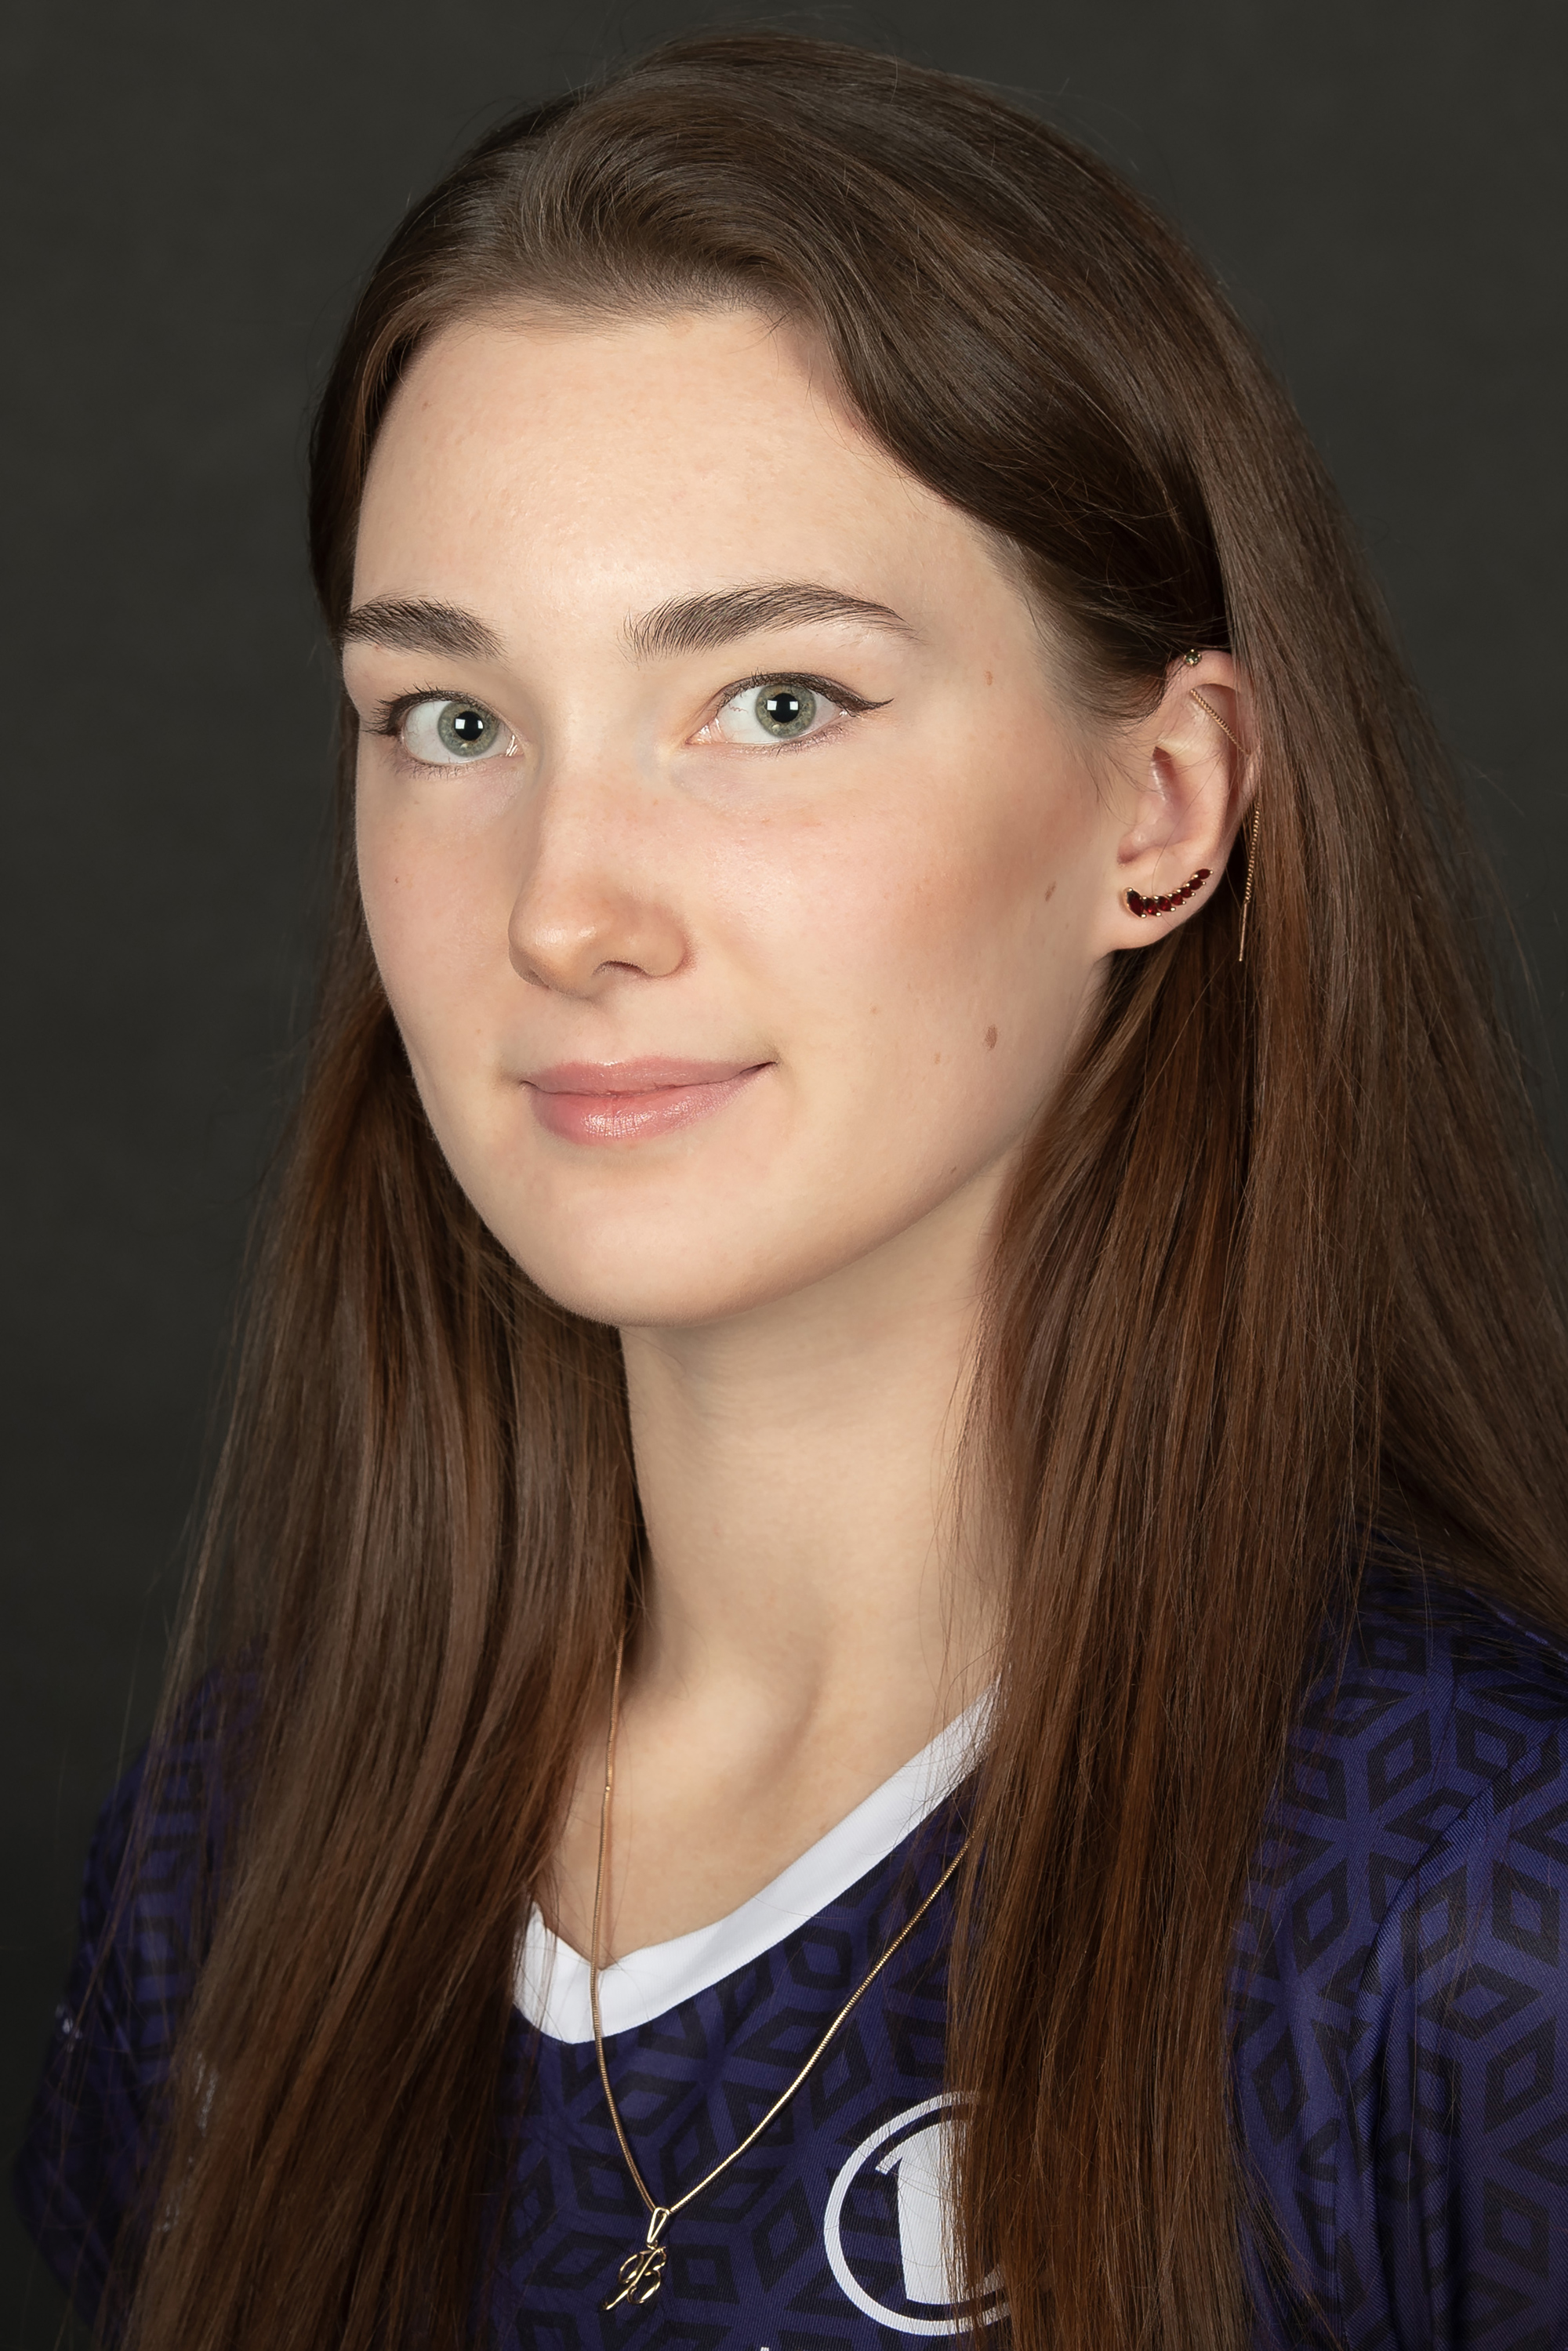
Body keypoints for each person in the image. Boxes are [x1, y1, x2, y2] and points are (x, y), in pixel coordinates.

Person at [16, 31, 1568, 2351]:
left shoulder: (1480, 1903)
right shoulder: (227, 1861)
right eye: (454, 721)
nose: (566, 909)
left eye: (774, 704)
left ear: (1161, 808)